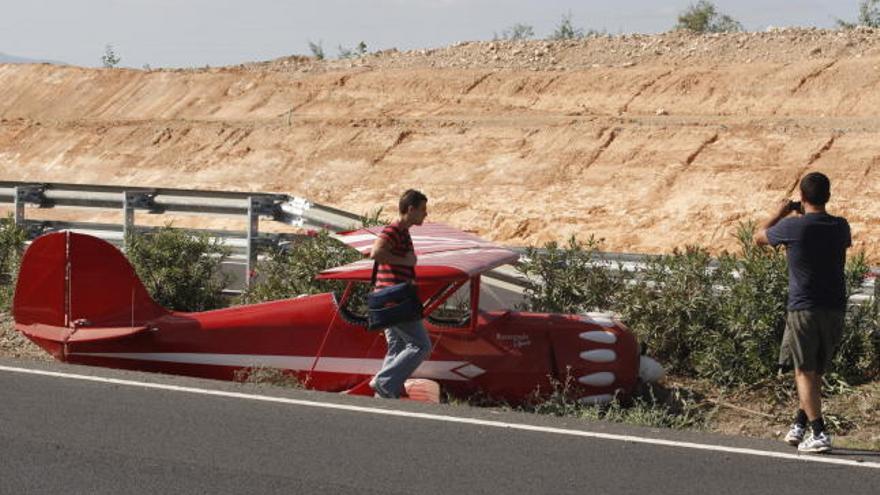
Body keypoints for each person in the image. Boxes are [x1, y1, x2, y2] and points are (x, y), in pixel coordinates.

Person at [753, 172, 851, 454]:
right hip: (834, 308)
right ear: (828, 196)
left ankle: (819, 431)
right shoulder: (841, 226)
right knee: (815, 371)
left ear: (803, 198)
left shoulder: (793, 227)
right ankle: (800, 424)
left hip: (804, 307)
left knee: (803, 371)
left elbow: (757, 238)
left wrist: (781, 211)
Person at [368, 189, 432, 399]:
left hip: (391, 300)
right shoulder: (394, 229)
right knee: (421, 345)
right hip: (396, 301)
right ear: (411, 209)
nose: (425, 214)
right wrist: (406, 261)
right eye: (422, 210)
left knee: (398, 346)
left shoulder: (402, 231)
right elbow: (376, 252)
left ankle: (385, 396)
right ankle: (384, 382)